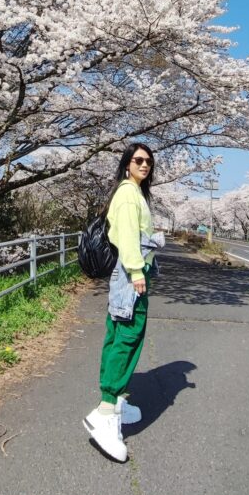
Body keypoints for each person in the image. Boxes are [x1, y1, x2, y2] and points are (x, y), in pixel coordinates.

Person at [86, 144, 159, 463]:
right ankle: (105, 413)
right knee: (128, 338)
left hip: (127, 273)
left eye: (148, 161)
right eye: (138, 160)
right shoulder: (129, 194)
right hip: (131, 273)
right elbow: (128, 235)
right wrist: (136, 271)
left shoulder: (130, 192)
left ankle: (115, 401)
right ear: (127, 164)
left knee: (117, 335)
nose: (144, 165)